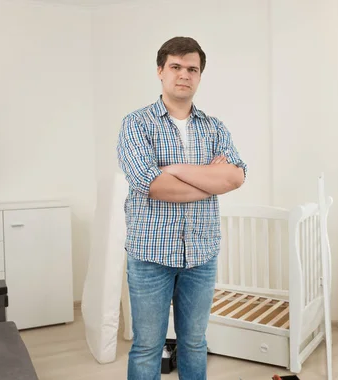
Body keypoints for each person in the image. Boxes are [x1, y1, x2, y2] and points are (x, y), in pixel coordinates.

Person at [117, 36, 247, 380]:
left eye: (192, 69)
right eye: (175, 67)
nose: (184, 75)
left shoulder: (214, 127)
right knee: (147, 346)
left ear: (200, 76)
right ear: (160, 71)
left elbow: (235, 177)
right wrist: (208, 179)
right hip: (150, 255)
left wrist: (173, 169)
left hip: (201, 254)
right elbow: (153, 185)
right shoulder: (136, 124)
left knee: (194, 342)